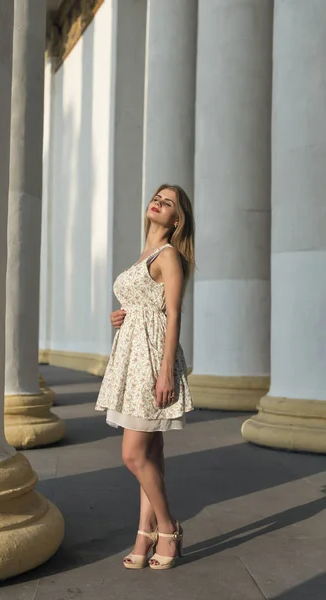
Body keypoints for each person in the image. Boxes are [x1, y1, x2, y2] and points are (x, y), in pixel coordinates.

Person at [95, 184, 195, 570]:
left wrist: (167, 371)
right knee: (150, 452)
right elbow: (142, 304)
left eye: (168, 202)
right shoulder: (144, 254)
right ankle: (145, 531)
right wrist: (119, 317)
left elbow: (173, 314)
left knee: (132, 454)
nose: (158, 202)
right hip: (131, 356)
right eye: (157, 196)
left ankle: (168, 528)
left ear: (176, 219)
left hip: (152, 362)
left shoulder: (169, 255)